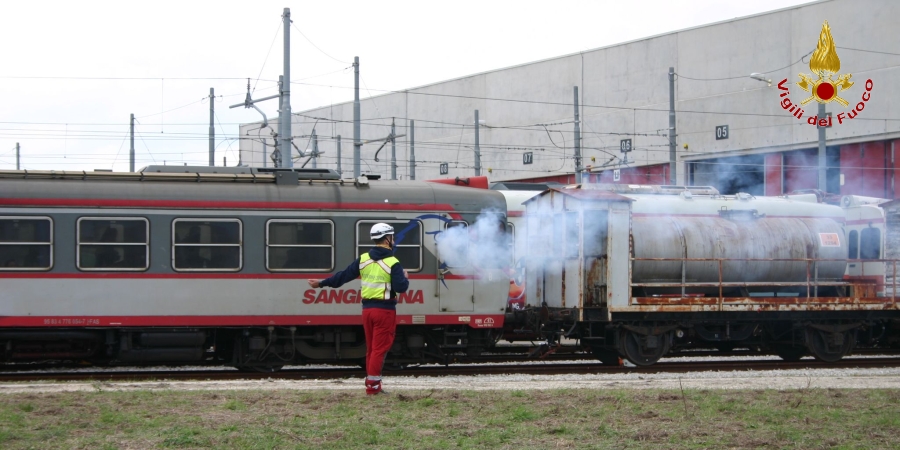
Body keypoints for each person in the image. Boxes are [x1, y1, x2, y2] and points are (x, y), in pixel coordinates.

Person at [307, 223, 409, 395]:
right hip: (384, 311)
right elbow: (401, 288)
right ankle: (373, 387)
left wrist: (322, 283)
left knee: (371, 348)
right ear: (386, 239)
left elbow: (343, 276)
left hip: (367, 311)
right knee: (380, 348)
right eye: (392, 237)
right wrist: (405, 277)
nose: (393, 240)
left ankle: (372, 384)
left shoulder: (363, 259)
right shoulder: (393, 262)